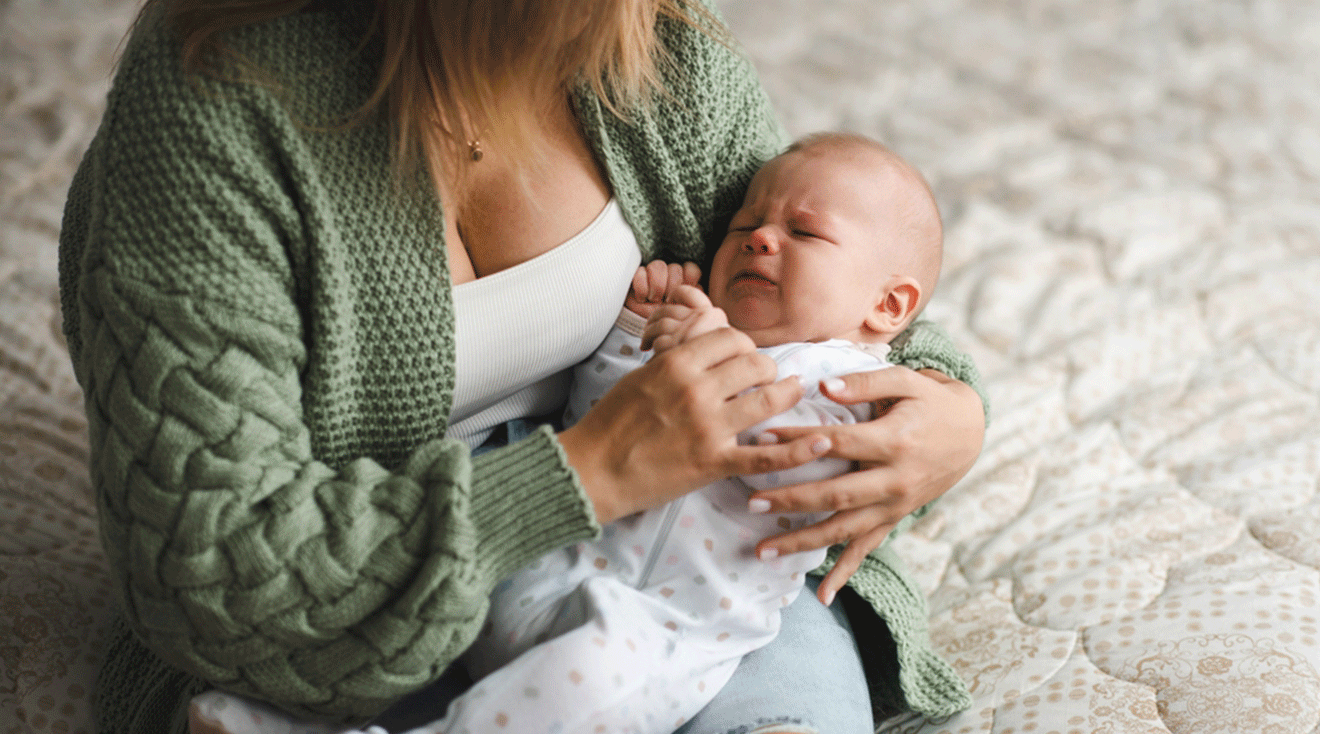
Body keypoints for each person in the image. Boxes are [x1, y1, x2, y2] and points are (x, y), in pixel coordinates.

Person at [58, 1, 987, 733]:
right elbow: (212, 570)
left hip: (693, 569)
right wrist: (591, 468)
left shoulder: (647, 37)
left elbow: (842, 289)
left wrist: (951, 416)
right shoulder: (213, 110)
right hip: (373, 600)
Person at [185, 132, 974, 734]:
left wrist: (954, 418)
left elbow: (791, 471)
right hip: (540, 549)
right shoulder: (706, 324)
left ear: (888, 308)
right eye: (744, 223)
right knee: (401, 632)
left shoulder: (847, 387)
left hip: (667, 629)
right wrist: (634, 337)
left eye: (803, 234)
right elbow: (597, 419)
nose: (758, 238)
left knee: (579, 689)